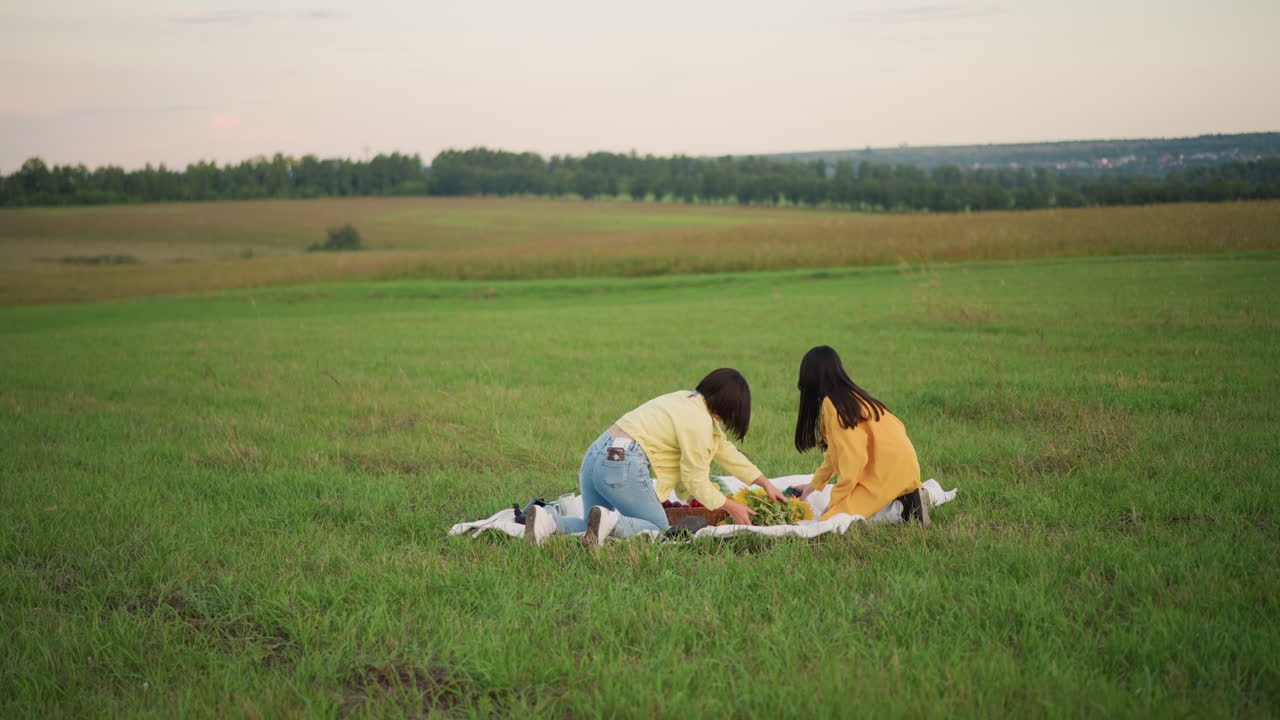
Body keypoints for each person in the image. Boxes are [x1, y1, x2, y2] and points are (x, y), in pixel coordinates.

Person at [526, 368, 785, 547]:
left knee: (588, 522)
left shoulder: (686, 399)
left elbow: (724, 449)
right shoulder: (698, 423)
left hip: (596, 454)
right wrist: (730, 506)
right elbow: (695, 480)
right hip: (621, 462)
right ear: (729, 409)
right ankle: (611, 520)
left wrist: (764, 482)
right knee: (656, 526)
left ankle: (546, 521)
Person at [790, 346, 931, 526]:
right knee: (838, 514)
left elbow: (853, 460)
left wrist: (835, 503)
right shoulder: (853, 397)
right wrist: (812, 487)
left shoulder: (834, 405)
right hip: (905, 470)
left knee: (830, 521)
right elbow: (835, 454)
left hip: (885, 476)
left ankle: (902, 510)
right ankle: (907, 498)